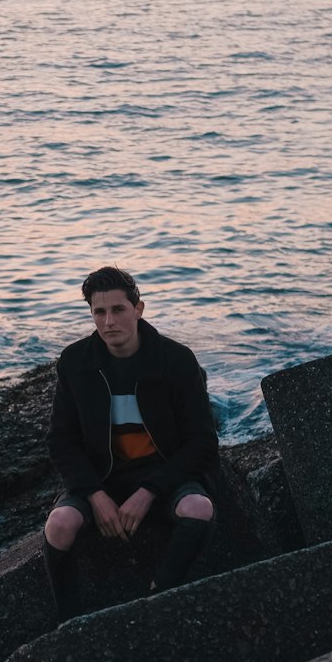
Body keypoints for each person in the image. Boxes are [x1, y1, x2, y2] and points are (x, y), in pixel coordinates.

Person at [42, 265, 219, 623]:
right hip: (101, 481)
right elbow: (62, 440)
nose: (109, 321)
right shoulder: (76, 363)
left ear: (138, 309)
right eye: (99, 312)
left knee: (200, 509)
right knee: (59, 524)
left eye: (118, 310)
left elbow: (203, 442)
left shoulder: (175, 360)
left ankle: (158, 597)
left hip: (164, 478)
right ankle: (68, 620)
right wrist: (94, 493)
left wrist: (150, 490)